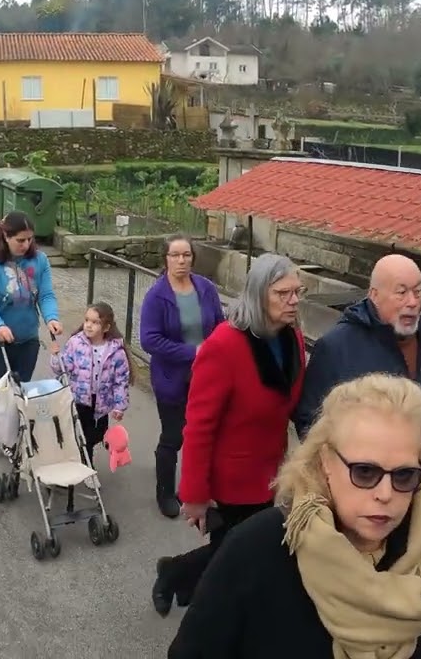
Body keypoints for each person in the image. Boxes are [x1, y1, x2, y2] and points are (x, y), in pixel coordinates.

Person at [168, 373, 421, 659]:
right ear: (326, 462)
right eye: (365, 471)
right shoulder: (260, 547)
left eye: (404, 474)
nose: (385, 494)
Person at [151, 253, 306, 616]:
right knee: (235, 557)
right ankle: (205, 612)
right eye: (283, 293)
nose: (293, 301)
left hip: (271, 473)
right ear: (258, 294)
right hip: (230, 480)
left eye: (297, 292)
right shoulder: (224, 345)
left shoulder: (292, 337)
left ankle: (175, 572)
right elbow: (199, 426)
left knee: (239, 552)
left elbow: (289, 402)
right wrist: (194, 495)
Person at [295, 253, 421, 455]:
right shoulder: (336, 347)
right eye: (401, 293)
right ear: (374, 295)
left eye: (418, 292)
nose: (412, 302)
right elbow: (308, 421)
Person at [139, 234, 226, 518]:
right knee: (173, 436)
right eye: (175, 255)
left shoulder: (206, 288)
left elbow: (220, 325)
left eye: (186, 255)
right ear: (165, 259)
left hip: (206, 377)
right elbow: (149, 340)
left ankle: (196, 488)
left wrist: (217, 350)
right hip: (172, 378)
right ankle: (165, 492)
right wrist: (194, 352)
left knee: (204, 433)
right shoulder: (157, 296)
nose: (181, 260)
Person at [0, 211, 62, 459]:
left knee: (18, 391)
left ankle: (10, 435)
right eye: (20, 240)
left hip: (27, 340)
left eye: (30, 239)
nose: (26, 245)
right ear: (6, 236)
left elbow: (46, 295)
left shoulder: (40, 261)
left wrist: (51, 317)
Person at [49, 302, 133, 471]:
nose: (88, 325)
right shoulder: (76, 343)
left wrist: (119, 405)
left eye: (95, 322)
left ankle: (89, 453)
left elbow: (121, 380)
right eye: (87, 320)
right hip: (79, 399)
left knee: (97, 434)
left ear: (106, 327)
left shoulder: (115, 351)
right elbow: (62, 369)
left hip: (101, 402)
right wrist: (55, 357)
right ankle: (84, 463)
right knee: (80, 434)